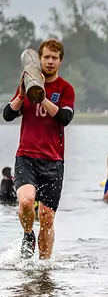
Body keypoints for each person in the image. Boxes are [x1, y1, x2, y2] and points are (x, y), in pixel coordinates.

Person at [2, 39, 74, 260]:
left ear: (60, 61)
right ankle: (27, 234)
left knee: (46, 217)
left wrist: (41, 97)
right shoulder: (28, 82)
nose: (50, 61)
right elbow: (7, 114)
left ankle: (44, 268)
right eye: (46, 57)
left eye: (54, 58)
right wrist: (23, 95)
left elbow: (65, 117)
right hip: (26, 157)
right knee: (25, 201)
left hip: (53, 161)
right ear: (40, 59)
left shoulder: (65, 88)